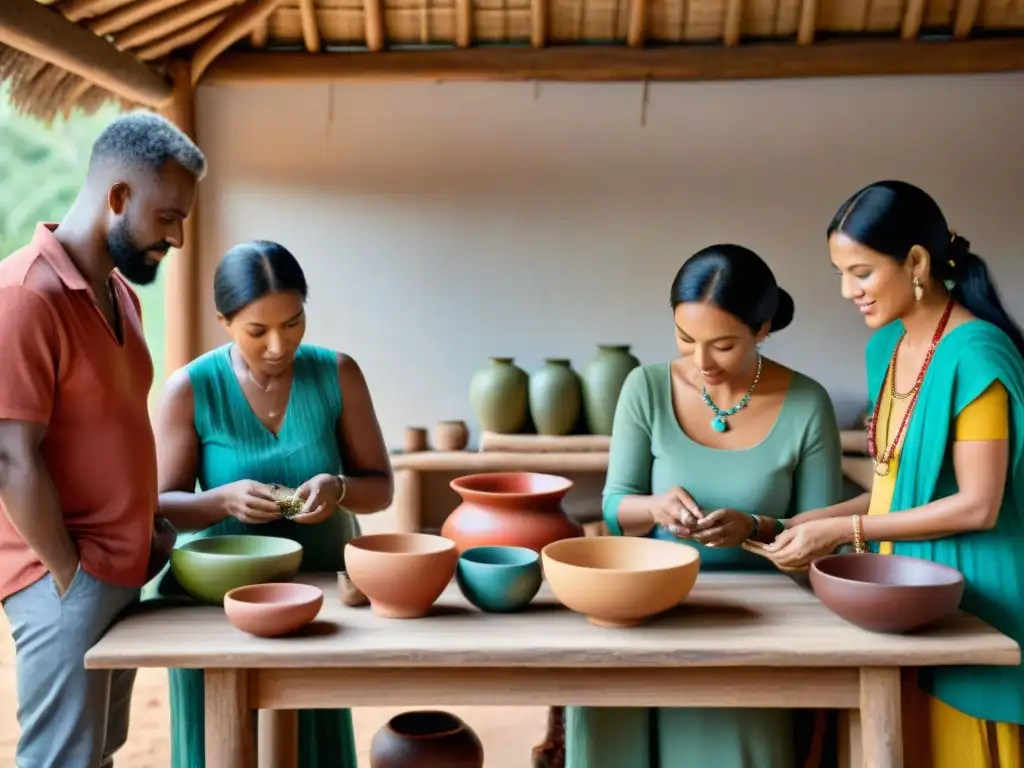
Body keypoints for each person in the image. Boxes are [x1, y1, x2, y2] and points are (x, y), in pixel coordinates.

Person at [767, 180, 1024, 767]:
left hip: (975, 599)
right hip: (901, 592)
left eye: (859, 272)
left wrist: (838, 535)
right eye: (840, 273)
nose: (846, 290)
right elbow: (892, 491)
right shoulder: (887, 348)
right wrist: (803, 523)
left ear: (915, 262)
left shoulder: (976, 353)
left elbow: (977, 506)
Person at [563, 244, 844, 768]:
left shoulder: (807, 402)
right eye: (686, 339)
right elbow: (613, 508)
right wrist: (654, 508)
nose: (701, 362)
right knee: (609, 728)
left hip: (758, 620)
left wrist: (755, 528)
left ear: (763, 330)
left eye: (723, 345)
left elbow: (820, 542)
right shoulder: (644, 387)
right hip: (641, 608)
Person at [0, 112, 204, 768]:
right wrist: (68, 575)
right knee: (61, 761)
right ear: (118, 198)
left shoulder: (121, 294)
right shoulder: (26, 296)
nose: (176, 237)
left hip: (119, 571)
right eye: (168, 216)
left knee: (97, 757)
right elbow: (10, 458)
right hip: (64, 579)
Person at [153, 239, 394, 768]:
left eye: (293, 323)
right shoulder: (191, 388)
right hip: (219, 603)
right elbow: (160, 505)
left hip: (317, 595)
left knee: (311, 741)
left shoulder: (337, 374)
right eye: (257, 331)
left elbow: (381, 487)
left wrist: (339, 486)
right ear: (224, 321)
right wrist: (221, 501)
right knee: (221, 739)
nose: (279, 346)